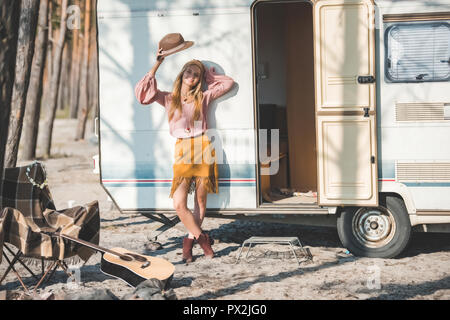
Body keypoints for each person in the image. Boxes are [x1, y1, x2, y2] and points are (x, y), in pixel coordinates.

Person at [134, 48, 234, 263]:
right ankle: (202, 239)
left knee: (200, 201)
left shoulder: (205, 97)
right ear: (182, 75)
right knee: (179, 203)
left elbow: (228, 83)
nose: (192, 76)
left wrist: (209, 73)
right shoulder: (169, 99)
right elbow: (143, 96)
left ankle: (188, 244)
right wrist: (156, 65)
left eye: (196, 74)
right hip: (182, 151)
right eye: (189, 72)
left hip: (203, 147)